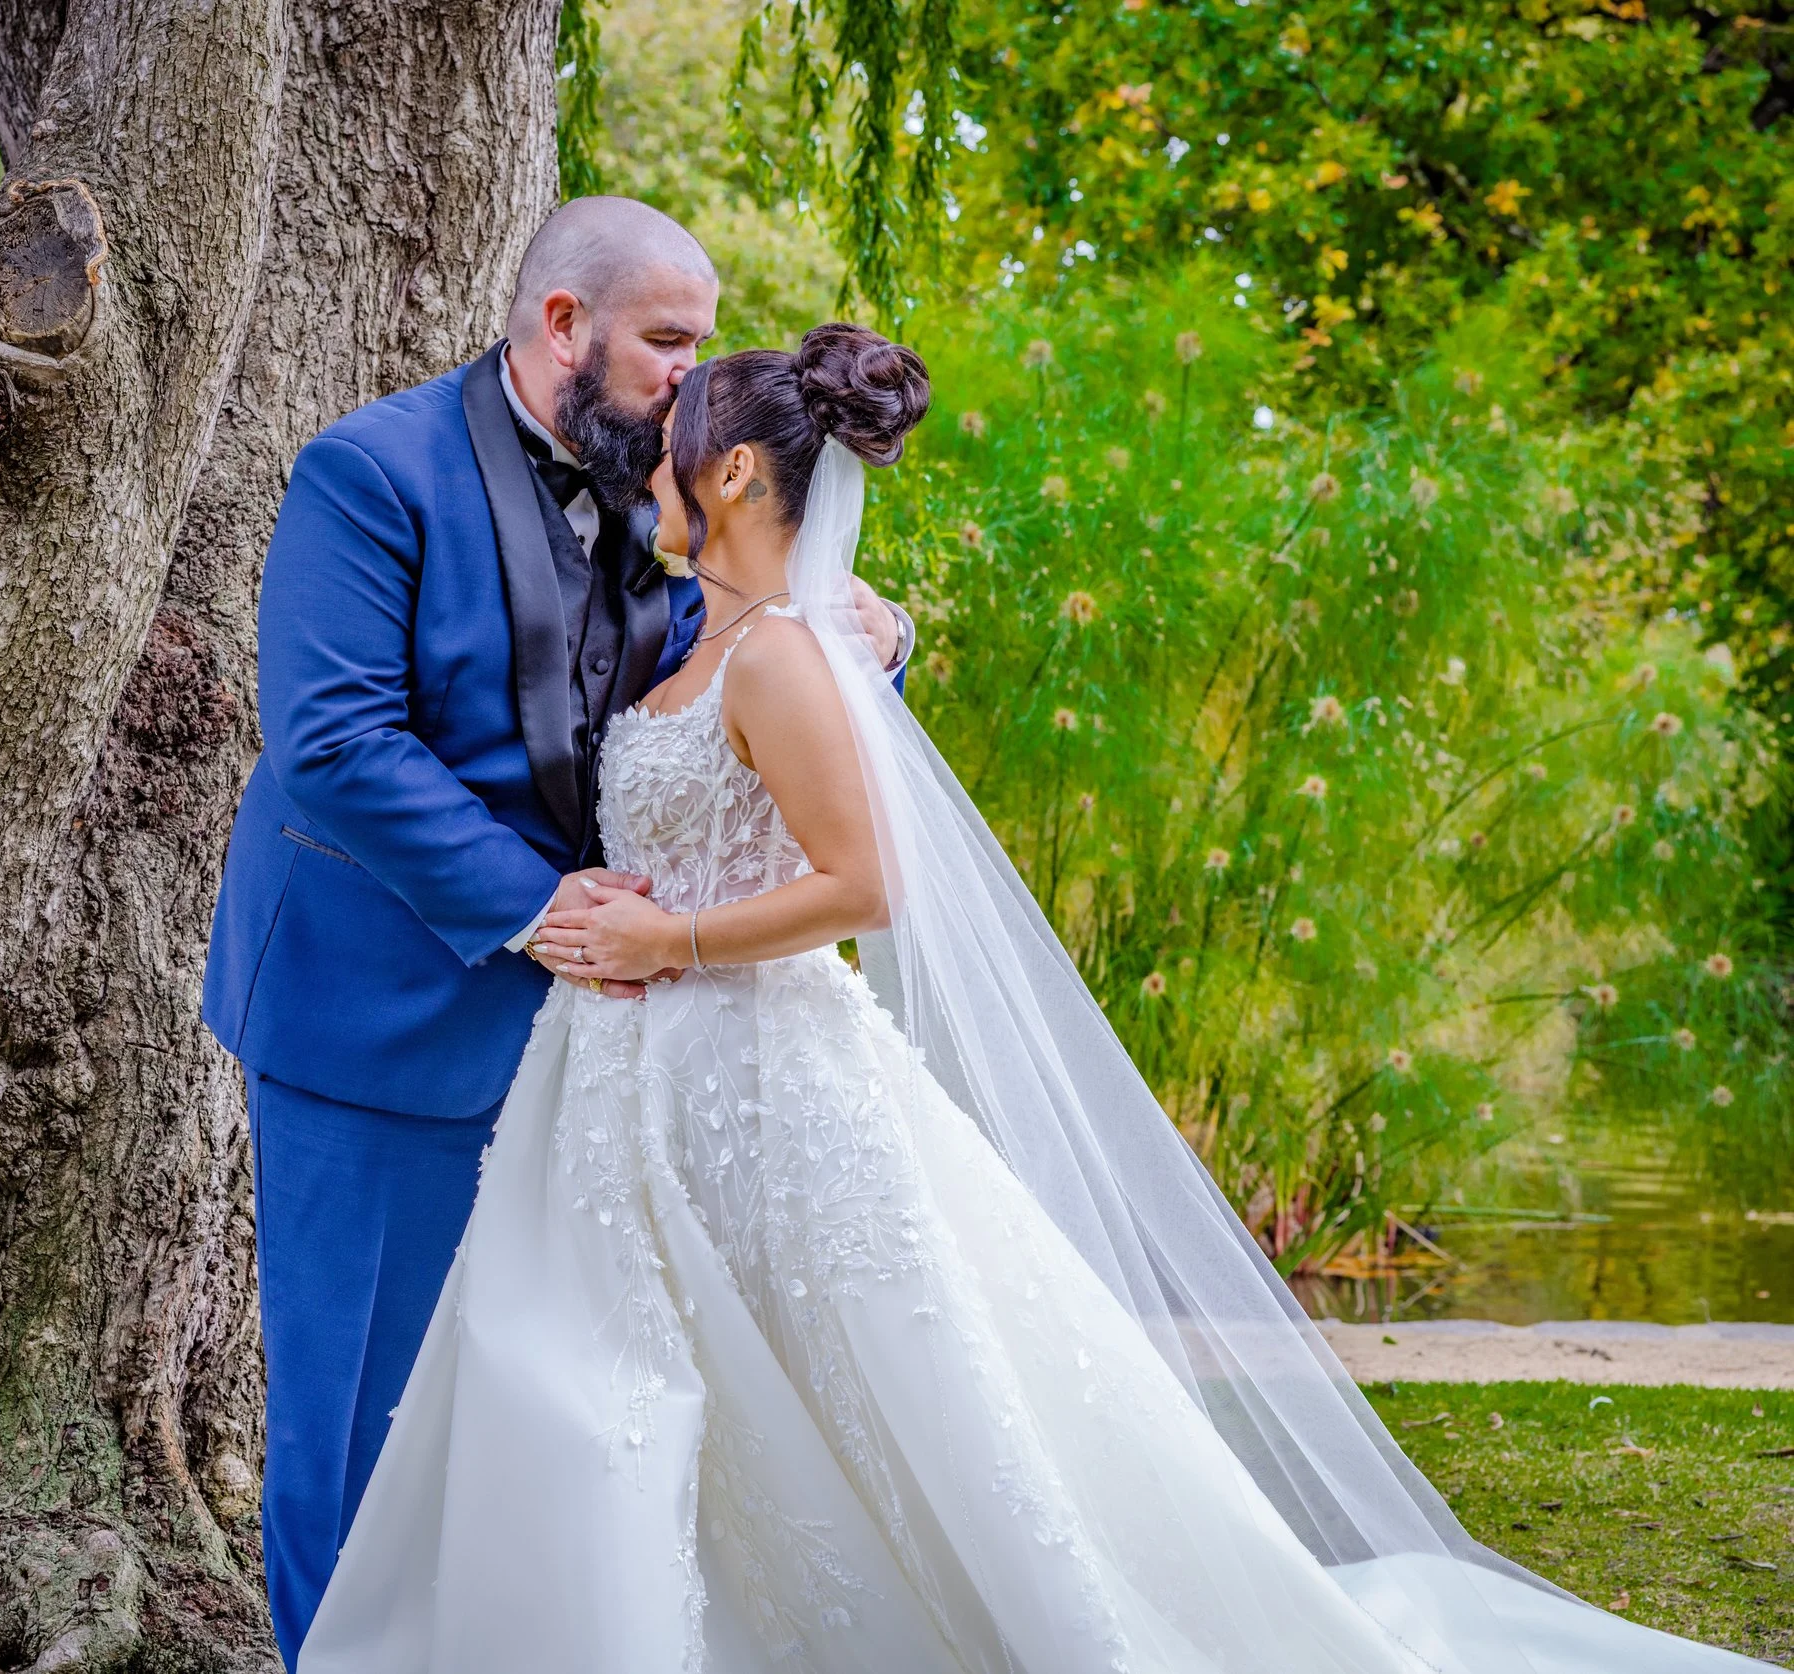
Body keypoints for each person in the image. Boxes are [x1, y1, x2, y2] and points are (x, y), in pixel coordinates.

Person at [298, 327, 1766, 1673]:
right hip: (658, 1086)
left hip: (757, 1072)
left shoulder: (783, 659)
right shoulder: (739, 637)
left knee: (878, 1399)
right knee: (706, 1400)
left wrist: (667, 939)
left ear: (733, 469)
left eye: (678, 433)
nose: (650, 469)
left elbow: (869, 886)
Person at [201, 197, 914, 1665]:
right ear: (564, 324)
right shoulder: (371, 469)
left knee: (574, 1411)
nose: (688, 372)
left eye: (702, 342)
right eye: (668, 339)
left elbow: (734, 701)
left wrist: (870, 649)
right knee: (363, 1420)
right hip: (377, 1024)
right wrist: (535, 905)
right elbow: (330, 741)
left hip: (609, 1056)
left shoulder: (663, 495)